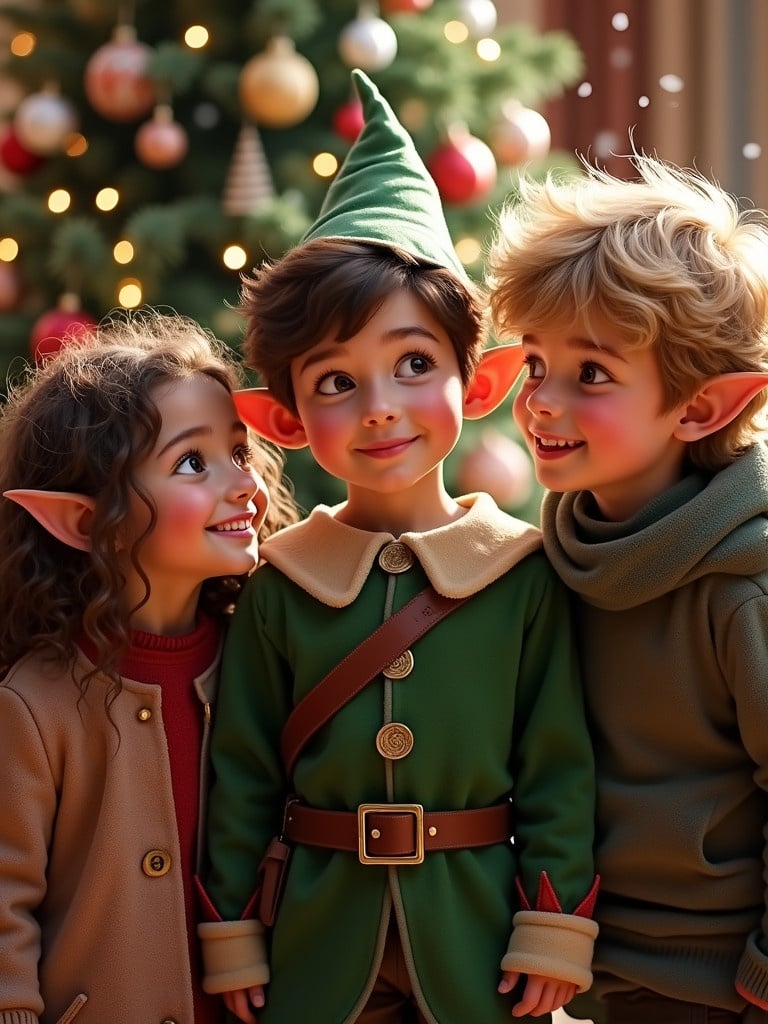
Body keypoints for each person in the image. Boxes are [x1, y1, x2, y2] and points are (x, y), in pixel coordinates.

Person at [198, 69, 598, 1024]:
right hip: (313, 941)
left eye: (414, 364)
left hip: (477, 944)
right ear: (286, 420)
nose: (380, 407)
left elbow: (558, 764)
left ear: (483, 380)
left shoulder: (526, 572)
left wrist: (554, 926)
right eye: (335, 381)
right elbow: (242, 771)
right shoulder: (277, 585)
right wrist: (231, 931)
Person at [486, 153, 768, 1024]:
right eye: (535, 364)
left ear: (702, 408)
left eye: (592, 375)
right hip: (587, 977)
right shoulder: (552, 557)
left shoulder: (743, 587)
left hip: (724, 991)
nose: (542, 402)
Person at [0, 310, 299, 1024]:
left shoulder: (270, 664)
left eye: (240, 452)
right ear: (79, 521)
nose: (243, 486)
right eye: (193, 463)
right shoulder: (34, 705)